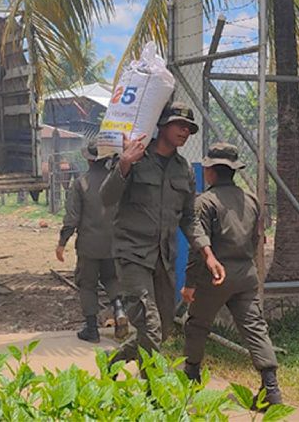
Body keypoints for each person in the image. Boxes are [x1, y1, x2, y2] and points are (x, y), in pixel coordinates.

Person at [181, 142, 282, 408]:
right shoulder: (251, 199)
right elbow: (257, 238)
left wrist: (190, 283)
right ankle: (271, 389)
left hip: (214, 276)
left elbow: (198, 248)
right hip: (246, 274)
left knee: (197, 325)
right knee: (255, 328)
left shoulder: (204, 202)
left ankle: (191, 378)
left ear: (211, 171)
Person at [100, 101, 200, 367]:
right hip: (132, 254)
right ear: (162, 125)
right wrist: (123, 164)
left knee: (163, 327)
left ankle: (114, 359)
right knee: (150, 323)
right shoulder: (134, 159)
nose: (185, 131)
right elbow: (106, 198)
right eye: (179, 125)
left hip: (163, 258)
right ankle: (152, 397)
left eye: (189, 128)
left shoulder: (184, 169)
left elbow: (189, 218)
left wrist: (207, 250)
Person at [55, 141, 128, 343]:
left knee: (87, 284)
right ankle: (119, 309)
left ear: (88, 159)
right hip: (114, 243)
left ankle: (91, 329)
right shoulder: (117, 181)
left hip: (89, 245)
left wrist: (62, 242)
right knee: (112, 279)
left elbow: (72, 218)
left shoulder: (81, 183)